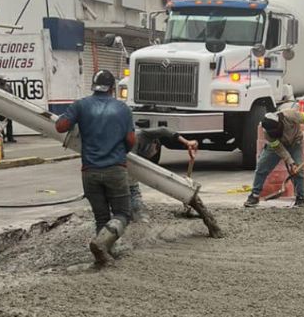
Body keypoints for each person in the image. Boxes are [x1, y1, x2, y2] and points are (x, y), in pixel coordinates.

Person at [55, 69, 135, 266]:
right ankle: (101, 245)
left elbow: (60, 126)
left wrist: (73, 116)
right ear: (112, 88)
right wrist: (122, 151)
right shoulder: (122, 109)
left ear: (94, 86)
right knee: (123, 214)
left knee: (101, 217)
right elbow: (131, 140)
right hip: (115, 169)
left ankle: (105, 255)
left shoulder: (81, 105)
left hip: (89, 171)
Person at [244, 107, 304, 208]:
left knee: (299, 170)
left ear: (280, 123)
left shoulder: (291, 116)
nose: (274, 133)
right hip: (278, 146)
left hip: (295, 142)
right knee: (261, 167)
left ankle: (300, 198)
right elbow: (278, 148)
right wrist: (290, 162)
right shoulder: (267, 133)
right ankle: (254, 196)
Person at [130, 127, 198, 221]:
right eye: (152, 153)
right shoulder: (144, 135)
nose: (149, 156)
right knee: (131, 187)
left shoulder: (138, 151)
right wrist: (187, 142)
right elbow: (163, 130)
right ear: (154, 144)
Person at [0, 75, 16, 143]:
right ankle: (3, 137)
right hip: (0, 106)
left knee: (9, 122)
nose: (5, 81)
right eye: (3, 80)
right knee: (1, 122)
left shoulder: (8, 86)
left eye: (5, 80)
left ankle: (10, 137)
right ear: (0, 79)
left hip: (8, 106)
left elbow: (12, 95)